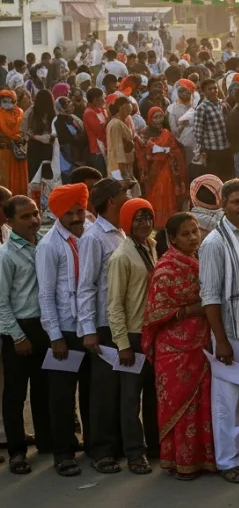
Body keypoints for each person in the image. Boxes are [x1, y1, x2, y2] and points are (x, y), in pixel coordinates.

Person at [144, 212, 216, 479]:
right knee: (179, 405)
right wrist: (197, 308)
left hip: (200, 345)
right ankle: (180, 462)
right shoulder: (166, 269)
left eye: (195, 231)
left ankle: (204, 460)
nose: (193, 237)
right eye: (185, 234)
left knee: (201, 404)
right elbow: (156, 311)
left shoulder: (200, 260)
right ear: (172, 239)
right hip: (173, 350)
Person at [199, 178, 239, 484]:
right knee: (227, 399)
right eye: (235, 202)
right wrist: (220, 340)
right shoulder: (214, 243)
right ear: (223, 204)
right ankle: (227, 460)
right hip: (231, 334)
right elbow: (209, 296)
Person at [37, 183, 93, 476]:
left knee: (90, 392)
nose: (76, 217)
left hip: (88, 329)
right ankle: (63, 454)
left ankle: (92, 444)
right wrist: (55, 337)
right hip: (65, 332)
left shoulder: (88, 236)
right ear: (58, 214)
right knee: (61, 396)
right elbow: (46, 295)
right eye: (70, 213)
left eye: (80, 211)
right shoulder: (50, 246)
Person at [77, 177, 129, 476]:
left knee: (123, 389)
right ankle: (102, 449)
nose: (127, 197)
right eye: (123, 193)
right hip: (104, 324)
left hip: (123, 323)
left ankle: (119, 444)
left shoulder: (120, 232)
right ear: (111, 201)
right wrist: (89, 329)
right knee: (104, 391)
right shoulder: (94, 237)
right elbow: (85, 286)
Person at [103, 198, 159, 474]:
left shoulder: (151, 246)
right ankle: (135, 453)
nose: (144, 224)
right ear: (126, 222)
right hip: (133, 337)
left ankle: (154, 447)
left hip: (153, 334)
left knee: (152, 395)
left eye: (148, 217)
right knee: (130, 399)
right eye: (138, 219)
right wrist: (123, 344)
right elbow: (114, 305)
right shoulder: (121, 256)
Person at [0, 195, 52, 475]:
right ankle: (17, 451)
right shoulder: (6, 256)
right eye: (25, 217)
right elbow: (2, 303)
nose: (33, 220)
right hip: (20, 328)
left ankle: (46, 441)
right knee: (16, 394)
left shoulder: (42, 243)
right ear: (9, 222)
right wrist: (18, 337)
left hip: (45, 326)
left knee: (44, 388)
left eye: (35, 213)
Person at [137, 107, 187, 225]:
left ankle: (168, 218)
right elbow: (143, 151)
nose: (158, 120)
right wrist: (156, 149)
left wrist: (167, 150)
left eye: (160, 116)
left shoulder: (167, 132)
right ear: (149, 119)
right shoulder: (144, 133)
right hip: (153, 169)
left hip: (167, 167)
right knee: (155, 192)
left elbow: (176, 149)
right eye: (155, 117)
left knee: (166, 191)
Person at [195, 79, 234, 180]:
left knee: (228, 178)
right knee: (216, 180)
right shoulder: (202, 108)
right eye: (210, 89)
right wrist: (202, 150)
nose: (213, 91)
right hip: (212, 150)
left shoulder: (223, 104)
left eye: (215, 88)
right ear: (203, 92)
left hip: (227, 148)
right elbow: (198, 132)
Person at [0, 90, 29, 195]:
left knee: (19, 181)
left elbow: (25, 131)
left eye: (8, 100)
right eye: (3, 100)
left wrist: (22, 138)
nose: (5, 103)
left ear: (14, 101)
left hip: (19, 152)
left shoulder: (20, 113)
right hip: (5, 153)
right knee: (5, 183)